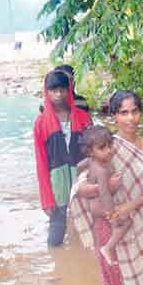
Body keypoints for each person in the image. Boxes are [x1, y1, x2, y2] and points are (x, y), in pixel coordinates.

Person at [69, 90, 143, 285]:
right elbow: (79, 189)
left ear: (141, 113)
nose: (130, 118)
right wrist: (105, 186)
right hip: (112, 226)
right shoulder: (105, 146)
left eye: (135, 111)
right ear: (114, 116)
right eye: (123, 112)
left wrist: (131, 205)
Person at [34, 70, 93, 247]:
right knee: (56, 232)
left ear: (69, 90)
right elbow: (41, 163)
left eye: (62, 90)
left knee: (88, 227)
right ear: (47, 92)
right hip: (56, 181)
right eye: (53, 90)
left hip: (82, 177)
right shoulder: (41, 123)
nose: (58, 94)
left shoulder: (83, 118)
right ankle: (58, 263)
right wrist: (46, 199)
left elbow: (93, 151)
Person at [78, 125, 129, 266]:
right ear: (91, 151)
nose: (108, 151)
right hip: (99, 204)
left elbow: (79, 165)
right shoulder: (101, 170)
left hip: (94, 203)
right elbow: (105, 194)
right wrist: (113, 215)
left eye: (109, 145)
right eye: (102, 148)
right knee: (126, 220)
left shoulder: (92, 160)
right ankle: (108, 248)